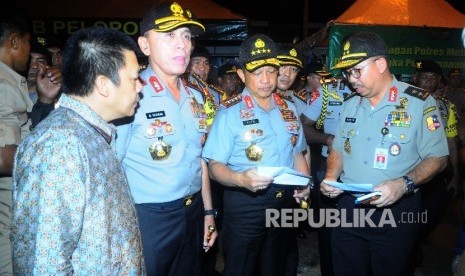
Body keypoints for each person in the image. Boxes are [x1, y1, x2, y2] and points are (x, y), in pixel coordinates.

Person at [12, 26, 145, 275]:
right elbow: (45, 264)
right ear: (103, 84)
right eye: (134, 78)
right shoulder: (59, 147)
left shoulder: (89, 134)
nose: (140, 87)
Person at [320, 31, 449, 276]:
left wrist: (404, 184)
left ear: (380, 64)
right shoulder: (350, 104)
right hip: (349, 208)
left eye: (357, 70)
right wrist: (331, 177)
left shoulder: (419, 103)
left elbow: (438, 158)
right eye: (348, 73)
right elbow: (338, 148)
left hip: (396, 211)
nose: (351, 79)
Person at [115, 2, 217, 275]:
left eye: (186, 36)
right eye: (169, 35)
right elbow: (111, 167)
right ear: (144, 46)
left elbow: (200, 160)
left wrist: (208, 212)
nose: (182, 45)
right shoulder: (129, 96)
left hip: (193, 211)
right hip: (149, 218)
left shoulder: (195, 98)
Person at [202, 33, 310, 276]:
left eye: (271, 71)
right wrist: (240, 179)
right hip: (245, 204)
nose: (265, 80)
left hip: (283, 203)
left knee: (276, 266)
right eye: (257, 72)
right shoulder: (229, 113)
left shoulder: (289, 108)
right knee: (242, 268)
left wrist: (304, 183)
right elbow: (214, 165)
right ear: (241, 74)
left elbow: (297, 152)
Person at [0, 7, 60, 274]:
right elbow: (2, 157)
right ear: (14, 42)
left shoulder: (12, 81)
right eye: (26, 43)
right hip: (6, 214)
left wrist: (45, 101)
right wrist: (48, 156)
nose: (28, 52)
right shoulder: (3, 83)